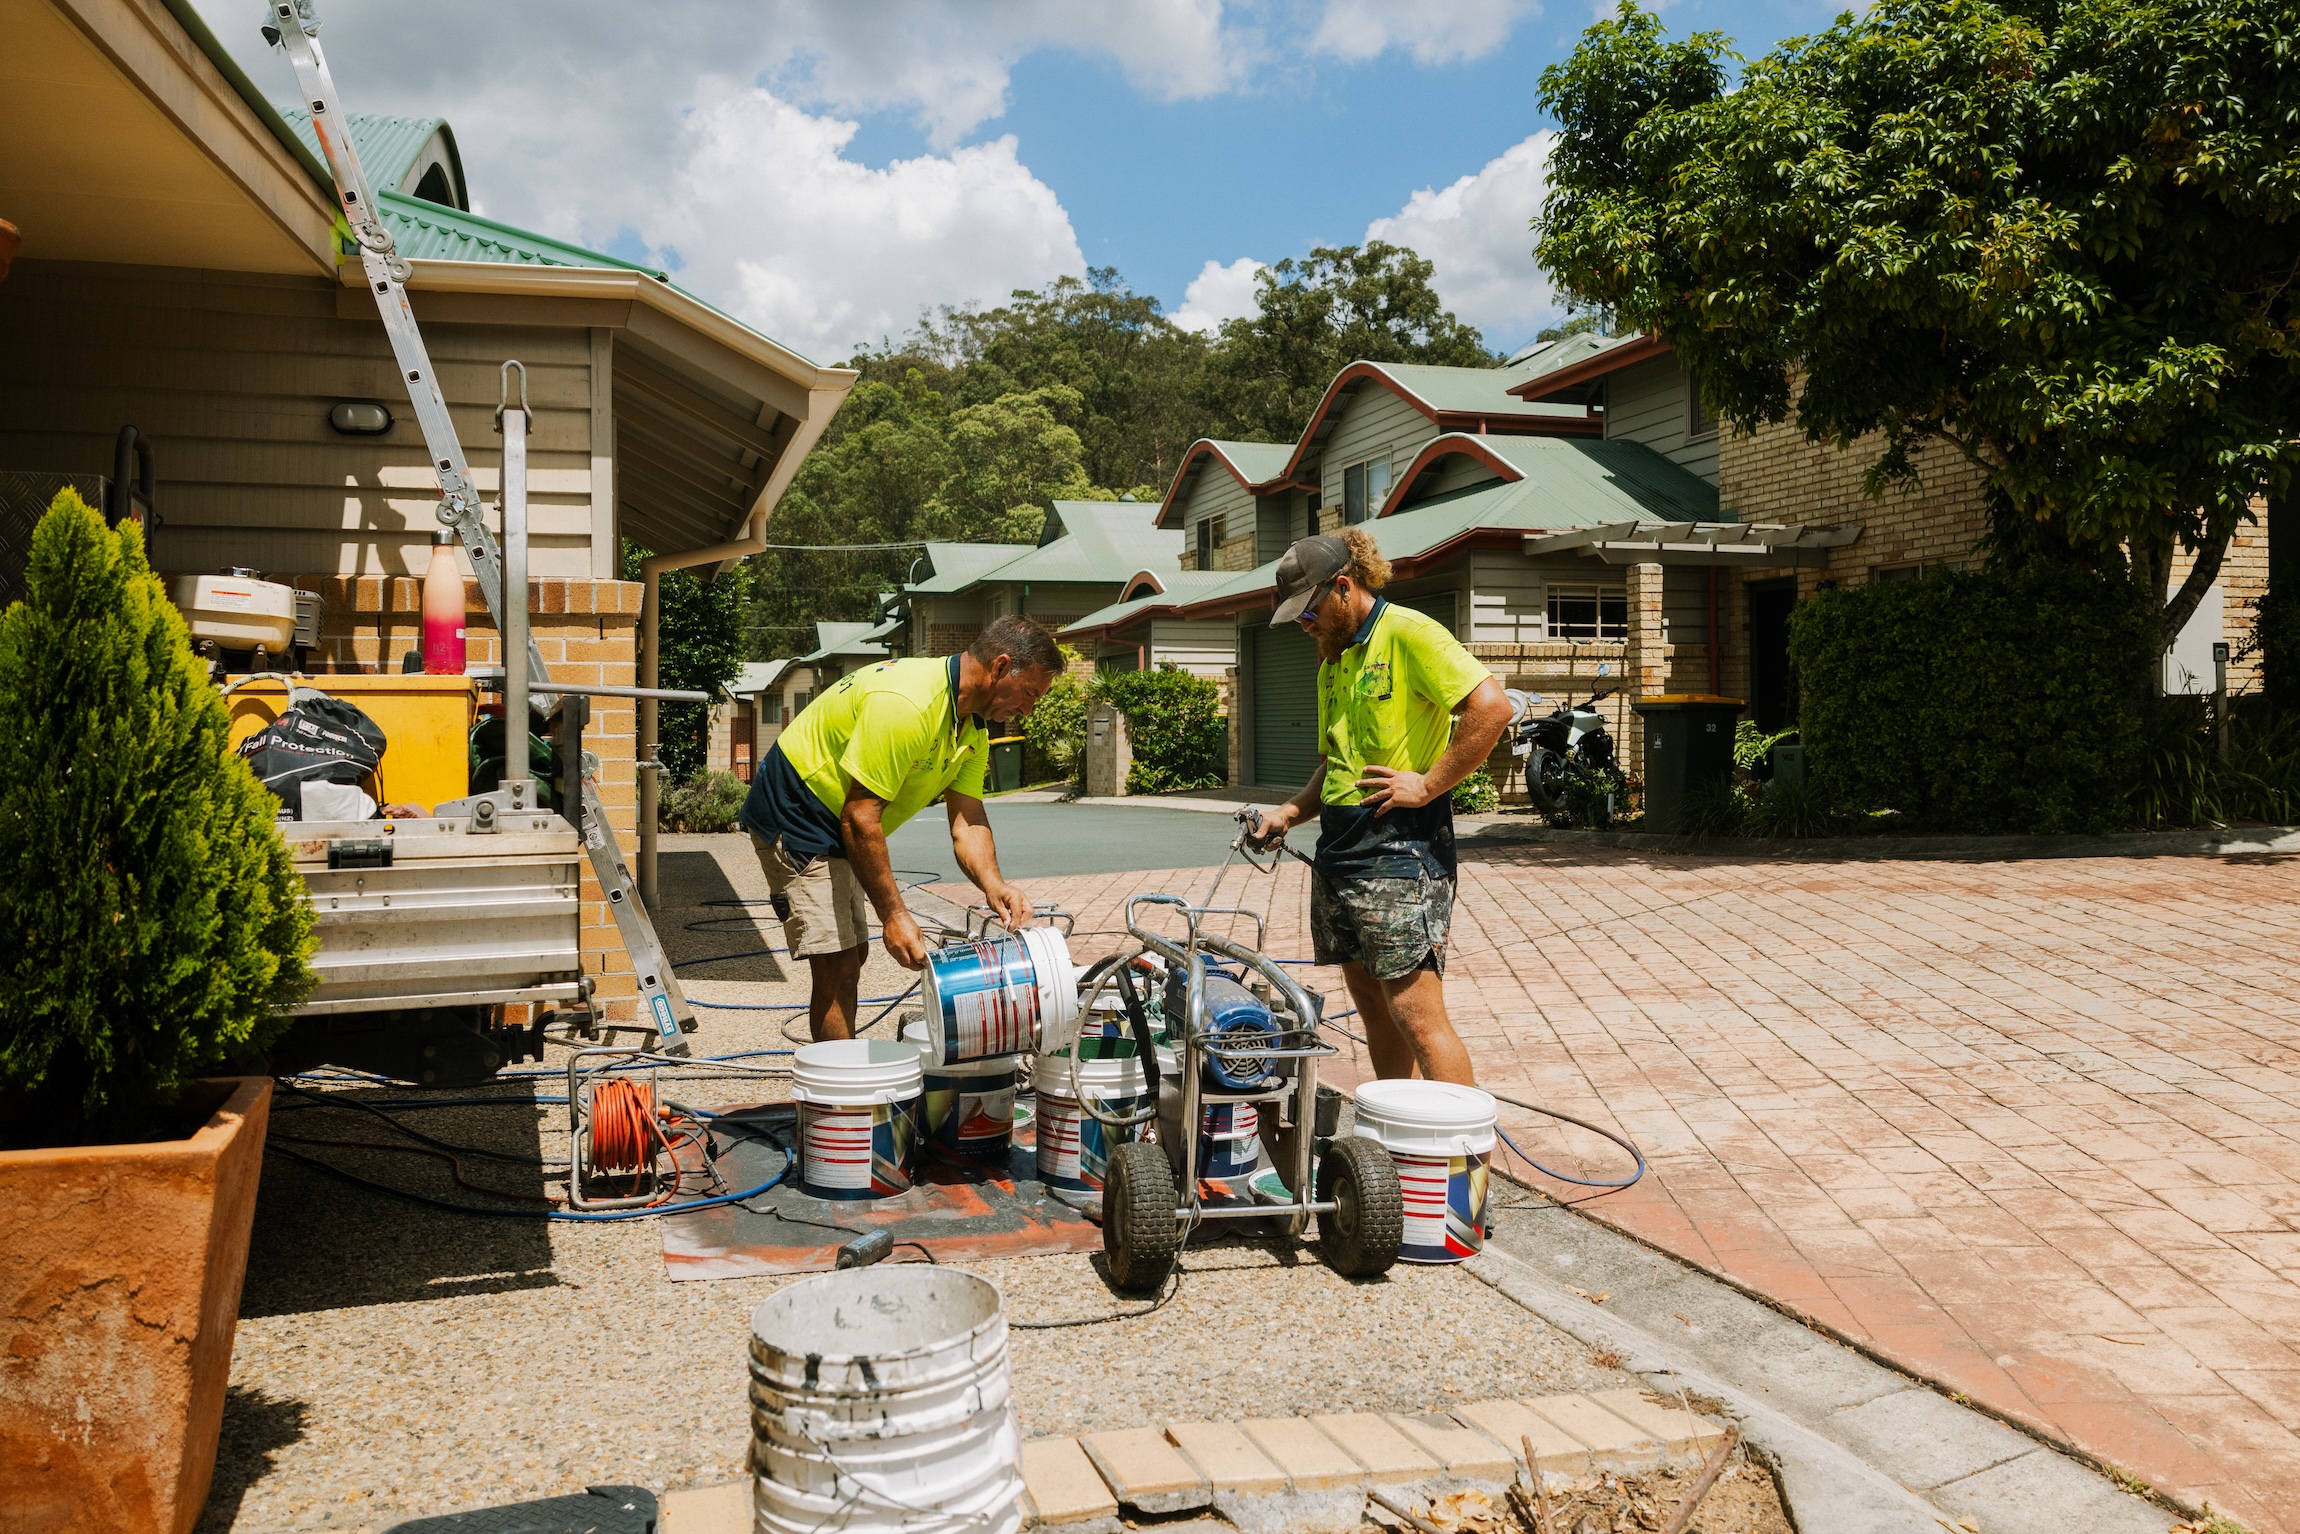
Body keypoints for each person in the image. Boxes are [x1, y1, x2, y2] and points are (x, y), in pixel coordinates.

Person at [1247, 530, 1514, 1085]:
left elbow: (1492, 708)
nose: (1304, 624)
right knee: (1374, 1010)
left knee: (1417, 1015)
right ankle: (1400, 1138)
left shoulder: (1410, 633)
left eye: (1309, 611)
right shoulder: (1332, 662)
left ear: (1343, 587)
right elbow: (1338, 765)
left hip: (1401, 850)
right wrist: (1291, 813)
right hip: (1340, 855)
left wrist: (1429, 783)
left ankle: (1464, 1162)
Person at [736, 615, 1063, 1041]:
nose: (1028, 709)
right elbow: (860, 817)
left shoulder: (971, 727)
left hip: (843, 815)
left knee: (853, 954)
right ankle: (842, 1098)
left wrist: (993, 883)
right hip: (797, 806)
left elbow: (967, 820)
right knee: (835, 962)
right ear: (1000, 667)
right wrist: (894, 915)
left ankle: (844, 1075)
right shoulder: (910, 705)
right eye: (1029, 693)